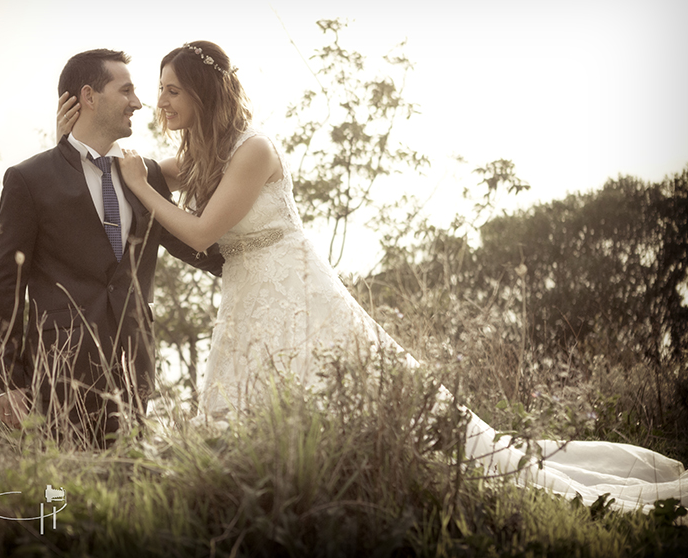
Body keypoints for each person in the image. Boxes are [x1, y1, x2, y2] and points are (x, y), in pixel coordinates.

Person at [59, 41, 688, 513]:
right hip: (246, 293)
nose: (157, 102)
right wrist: (65, 140)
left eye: (169, 89)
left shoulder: (255, 148)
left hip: (293, 284)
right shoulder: (197, 151)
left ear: (201, 92)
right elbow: (108, 168)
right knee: (254, 410)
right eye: (155, 90)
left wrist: (143, 182)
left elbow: (195, 232)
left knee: (350, 395)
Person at [0, 48, 223, 448]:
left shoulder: (144, 173)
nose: (138, 102)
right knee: (64, 495)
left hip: (134, 365)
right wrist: (7, 380)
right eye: (126, 90)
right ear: (90, 96)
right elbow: (4, 286)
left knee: (127, 490)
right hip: (58, 370)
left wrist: (256, 258)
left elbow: (192, 245)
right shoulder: (29, 179)